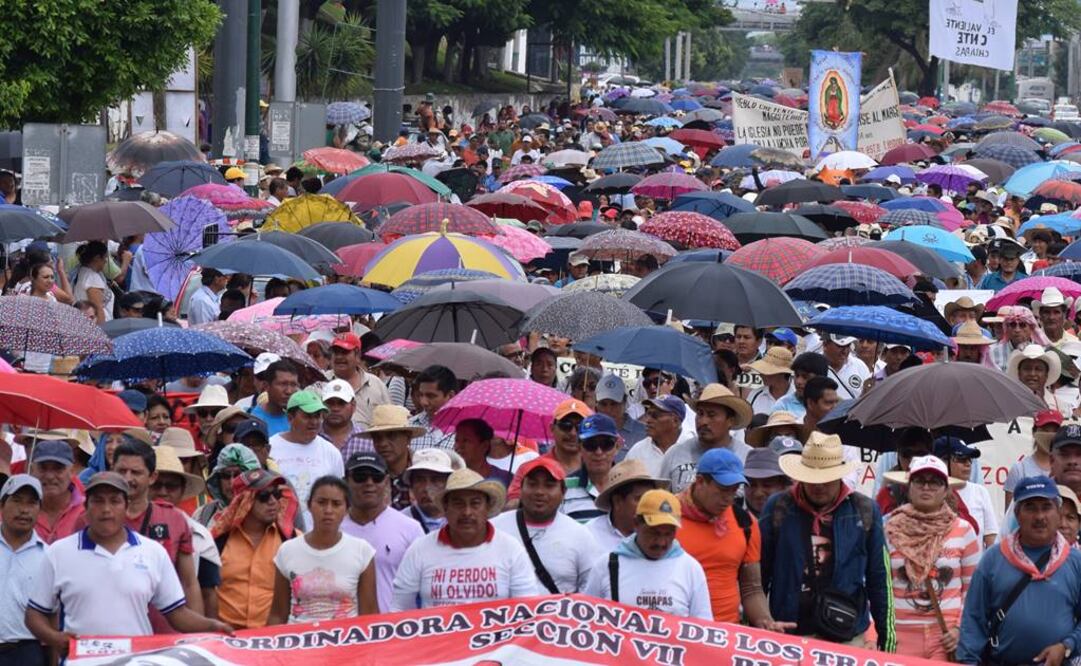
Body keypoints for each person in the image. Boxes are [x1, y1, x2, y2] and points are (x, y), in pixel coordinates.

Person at [26, 472, 231, 654]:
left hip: (135, 659)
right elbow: (34, 614)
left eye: (114, 501)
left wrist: (211, 626)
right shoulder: (59, 553)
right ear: (85, 507)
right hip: (82, 660)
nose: (106, 509)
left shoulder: (153, 552)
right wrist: (54, 638)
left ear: (126, 507)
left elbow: (177, 614)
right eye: (98, 501)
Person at [759, 432, 895, 650]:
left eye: (826, 479)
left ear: (839, 475)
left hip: (847, 634)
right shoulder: (777, 507)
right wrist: (756, 626)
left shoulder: (865, 510)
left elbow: (880, 579)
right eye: (812, 478)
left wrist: (888, 642)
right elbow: (759, 575)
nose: (818, 485)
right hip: (787, 632)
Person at [958, 476, 1081, 665]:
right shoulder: (993, 559)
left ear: (1058, 513)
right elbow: (973, 619)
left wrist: (1066, 646)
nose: (1039, 516)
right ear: (1017, 513)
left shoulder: (1075, 561)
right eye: (1030, 507)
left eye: (1046, 507)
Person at [677, 448, 794, 629]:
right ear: (700, 481)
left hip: (727, 635)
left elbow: (752, 588)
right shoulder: (666, 517)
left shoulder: (745, 523)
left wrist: (766, 621)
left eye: (733, 490)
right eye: (723, 490)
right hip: (676, 632)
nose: (728, 498)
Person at [391, 469, 537, 610]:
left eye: (475, 503)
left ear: (487, 508)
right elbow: (399, 609)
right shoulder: (420, 549)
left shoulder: (511, 549)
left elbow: (527, 609)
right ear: (445, 508)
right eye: (458, 504)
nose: (467, 512)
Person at [883, 455, 980, 659]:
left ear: (946, 490)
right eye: (920, 481)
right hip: (899, 637)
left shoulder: (963, 531)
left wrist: (959, 629)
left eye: (935, 482)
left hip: (945, 638)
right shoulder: (889, 530)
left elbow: (974, 589)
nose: (926, 487)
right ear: (908, 487)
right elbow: (877, 586)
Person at [583, 489, 712, 620]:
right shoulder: (607, 566)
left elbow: (704, 628)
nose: (661, 542)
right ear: (636, 524)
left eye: (669, 534)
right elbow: (587, 618)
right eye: (654, 533)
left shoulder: (690, 569)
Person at [112, 439, 202, 626]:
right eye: (121, 471)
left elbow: (189, 583)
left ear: (151, 477)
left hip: (165, 631)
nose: (128, 478)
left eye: (136, 472)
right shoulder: (93, 518)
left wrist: (197, 634)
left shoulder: (175, 519)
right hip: (112, 631)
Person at [267, 476, 377, 624]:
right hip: (298, 643)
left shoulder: (362, 551)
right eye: (321, 502)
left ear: (346, 510)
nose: (328, 510)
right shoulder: (287, 551)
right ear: (309, 505)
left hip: (345, 642)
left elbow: (369, 616)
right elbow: (278, 615)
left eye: (336, 504)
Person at [491, 457, 599, 593]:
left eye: (549, 485)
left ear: (563, 492)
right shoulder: (494, 529)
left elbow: (591, 590)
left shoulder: (580, 535)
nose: (539, 492)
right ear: (521, 488)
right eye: (532, 484)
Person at [212, 469, 300, 629]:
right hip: (226, 639)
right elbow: (205, 593)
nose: (273, 501)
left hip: (274, 639)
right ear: (244, 502)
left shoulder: (292, 540)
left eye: (276, 495)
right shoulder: (218, 541)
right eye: (264, 497)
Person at [340, 452, 424, 613]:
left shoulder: (411, 529)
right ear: (346, 481)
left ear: (386, 482)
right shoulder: (333, 531)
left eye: (376, 477)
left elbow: (425, 586)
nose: (369, 483)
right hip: (345, 632)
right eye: (360, 476)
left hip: (397, 630)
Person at [269, 390, 345, 529]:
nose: (314, 422)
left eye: (318, 416)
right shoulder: (271, 448)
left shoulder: (331, 452)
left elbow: (339, 497)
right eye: (308, 416)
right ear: (290, 418)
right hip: (279, 534)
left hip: (320, 536)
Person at [659, 384, 753, 493]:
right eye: (700, 414)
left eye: (711, 415)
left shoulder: (747, 457)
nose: (703, 421)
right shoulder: (674, 454)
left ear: (730, 421)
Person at [0, 475, 46, 666]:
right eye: (17, 501)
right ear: (2, 506)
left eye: (32, 503)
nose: (24, 510)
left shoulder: (48, 557)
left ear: (39, 509)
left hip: (27, 653)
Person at [586, 460, 670, 552]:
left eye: (650, 497)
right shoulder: (589, 535)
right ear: (617, 501)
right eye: (639, 499)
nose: (647, 504)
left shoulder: (662, 535)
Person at [935, 436, 999, 547]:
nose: (968, 463)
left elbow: (991, 537)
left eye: (970, 459)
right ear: (943, 461)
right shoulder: (929, 493)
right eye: (961, 458)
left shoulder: (980, 491)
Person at [362, 405, 426, 510]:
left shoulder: (425, 471)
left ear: (408, 437)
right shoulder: (364, 476)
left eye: (391, 436)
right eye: (377, 438)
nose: (383, 444)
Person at [562, 413, 619, 521]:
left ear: (617, 447)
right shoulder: (563, 487)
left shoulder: (629, 486)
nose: (598, 452)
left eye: (606, 444)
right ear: (579, 447)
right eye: (590, 444)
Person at [28, 438, 85, 544]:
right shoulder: (18, 508)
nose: (49, 476)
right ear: (32, 470)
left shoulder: (87, 511)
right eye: (43, 468)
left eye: (58, 468)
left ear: (72, 471)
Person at [330, 333, 390, 429]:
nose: (339, 357)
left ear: (357, 354)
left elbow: (389, 421)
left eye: (344, 352)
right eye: (336, 352)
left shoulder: (376, 384)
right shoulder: (320, 383)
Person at [1004, 409, 1061, 505]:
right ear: (1034, 432)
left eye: (1055, 431)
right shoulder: (1019, 469)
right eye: (1045, 430)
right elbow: (1009, 515)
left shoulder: (1065, 469)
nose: (1050, 436)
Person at [625, 394, 688, 476]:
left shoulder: (692, 448)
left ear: (675, 421)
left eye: (655, 416)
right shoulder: (637, 451)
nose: (647, 420)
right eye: (648, 414)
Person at [400, 449, 456, 533]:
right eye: (420, 480)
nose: (427, 488)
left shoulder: (461, 520)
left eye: (435, 480)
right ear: (411, 486)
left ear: (448, 484)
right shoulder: (399, 523)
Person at [595, 373, 647, 459]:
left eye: (614, 404)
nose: (608, 409)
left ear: (625, 401)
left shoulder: (644, 434)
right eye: (603, 404)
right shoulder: (588, 431)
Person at [320, 378, 371, 462]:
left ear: (353, 406)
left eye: (341, 403)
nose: (335, 408)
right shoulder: (311, 436)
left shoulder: (367, 440)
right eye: (330, 403)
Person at [409, 365, 458, 450]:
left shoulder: (465, 431)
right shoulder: (410, 427)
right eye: (420, 395)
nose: (423, 402)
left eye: (431, 396)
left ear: (450, 396)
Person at [454, 418, 512, 486]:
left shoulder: (505, 479)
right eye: (456, 440)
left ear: (485, 446)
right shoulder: (449, 476)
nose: (459, 446)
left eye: (466, 440)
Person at [771, 352, 829, 419]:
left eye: (805, 377)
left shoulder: (832, 405)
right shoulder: (783, 405)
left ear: (821, 379)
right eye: (797, 375)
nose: (799, 381)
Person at [249, 359, 300, 436]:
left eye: (293, 385)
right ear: (266, 386)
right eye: (283, 384)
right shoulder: (254, 421)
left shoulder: (299, 419)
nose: (289, 391)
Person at [72, 241, 115, 323]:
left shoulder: (83, 271)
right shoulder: (92, 278)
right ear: (97, 258)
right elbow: (98, 309)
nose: (106, 261)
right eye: (105, 257)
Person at [742, 447, 792, 517]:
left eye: (767, 485)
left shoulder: (796, 519)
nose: (758, 493)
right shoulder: (732, 517)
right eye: (752, 485)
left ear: (782, 486)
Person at [821, 334, 870, 401]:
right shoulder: (813, 364)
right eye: (840, 346)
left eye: (848, 345)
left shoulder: (859, 366)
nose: (845, 351)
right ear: (825, 345)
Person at [747, 347, 794, 415]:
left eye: (767, 371)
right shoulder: (755, 394)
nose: (761, 374)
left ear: (782, 373)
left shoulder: (799, 397)